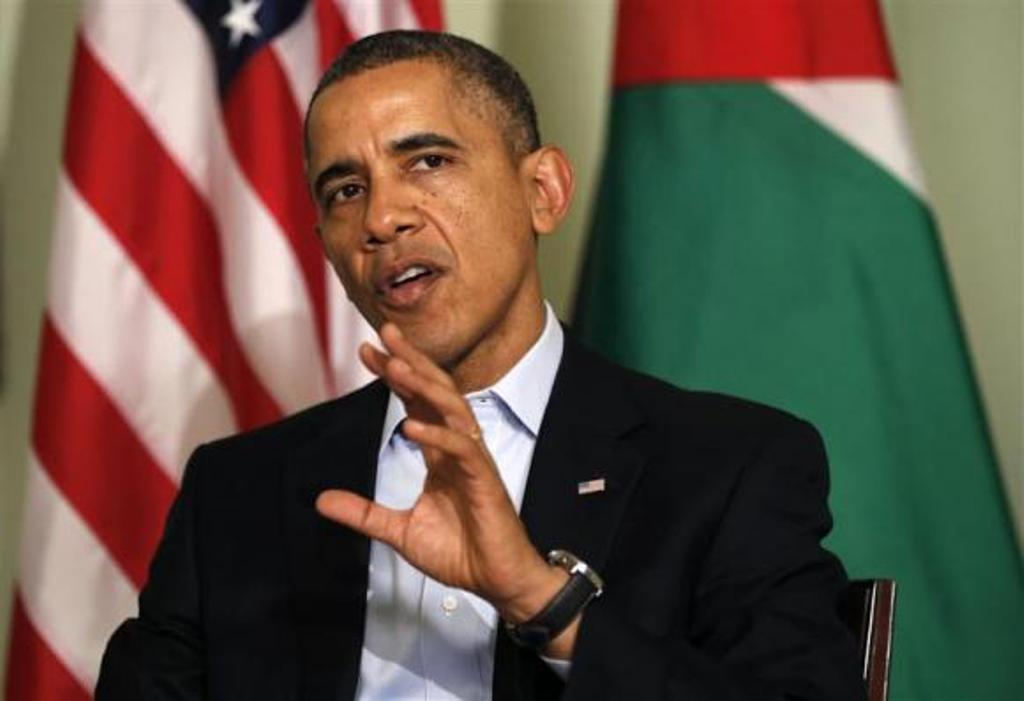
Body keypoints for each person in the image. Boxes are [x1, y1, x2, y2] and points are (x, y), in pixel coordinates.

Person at [97, 30, 865, 700]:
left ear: (544, 191)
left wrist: (541, 598)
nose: (381, 217)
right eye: (345, 189)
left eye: (427, 160)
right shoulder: (236, 492)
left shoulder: (726, 468)